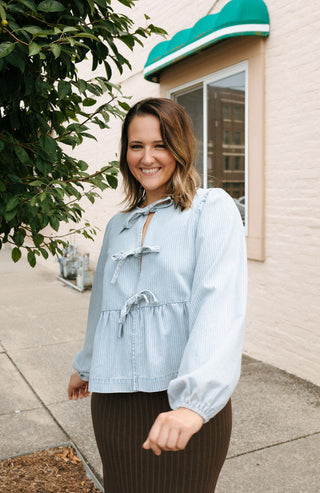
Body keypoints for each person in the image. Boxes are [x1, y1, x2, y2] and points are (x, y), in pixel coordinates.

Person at [68, 98, 247, 493]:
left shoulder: (210, 209)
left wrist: (193, 404)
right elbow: (103, 305)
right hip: (114, 403)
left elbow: (219, 306)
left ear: (180, 147)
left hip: (180, 401)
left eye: (160, 144)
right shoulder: (118, 225)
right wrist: (87, 364)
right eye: (136, 146)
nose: (147, 157)